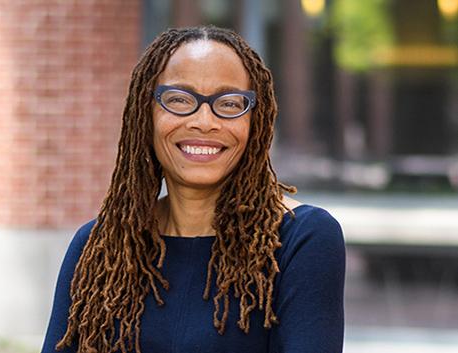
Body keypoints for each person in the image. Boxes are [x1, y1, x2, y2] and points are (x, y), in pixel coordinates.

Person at [41, 25, 345, 353]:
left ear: (254, 121)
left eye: (229, 103)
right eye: (179, 100)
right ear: (146, 114)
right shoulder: (100, 246)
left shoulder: (302, 241)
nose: (204, 120)